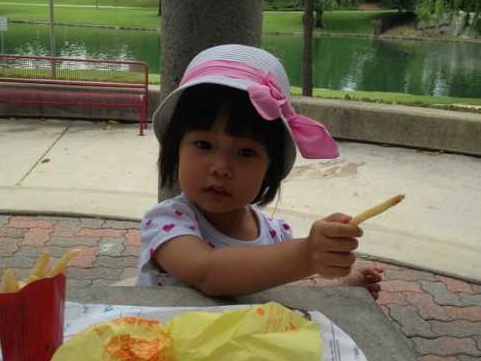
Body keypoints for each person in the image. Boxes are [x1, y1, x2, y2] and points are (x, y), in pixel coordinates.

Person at [137, 44, 382, 298]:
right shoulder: (167, 221)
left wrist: (341, 291)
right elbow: (207, 273)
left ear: (269, 167)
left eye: (245, 153)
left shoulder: (276, 234)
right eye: (204, 145)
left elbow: (274, 299)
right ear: (176, 149)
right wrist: (307, 255)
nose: (220, 168)